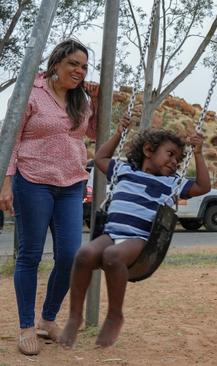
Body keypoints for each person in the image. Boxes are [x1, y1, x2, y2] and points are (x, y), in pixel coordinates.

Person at [57, 126, 210, 348]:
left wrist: (198, 154)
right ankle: (74, 316)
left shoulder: (172, 183)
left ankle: (114, 315)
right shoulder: (123, 170)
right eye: (170, 154)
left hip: (139, 240)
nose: (175, 162)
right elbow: (100, 157)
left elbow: (203, 186)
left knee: (112, 256)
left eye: (178, 159)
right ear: (148, 150)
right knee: (84, 254)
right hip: (111, 232)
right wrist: (119, 132)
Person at [0, 39, 99, 356]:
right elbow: (12, 139)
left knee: (71, 255)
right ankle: (27, 327)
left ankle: (47, 319)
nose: (79, 71)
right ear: (56, 63)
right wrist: (6, 182)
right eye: (73, 64)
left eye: (83, 67)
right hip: (33, 182)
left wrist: (96, 103)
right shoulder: (32, 92)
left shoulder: (80, 100)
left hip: (71, 182)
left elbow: (91, 134)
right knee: (29, 255)